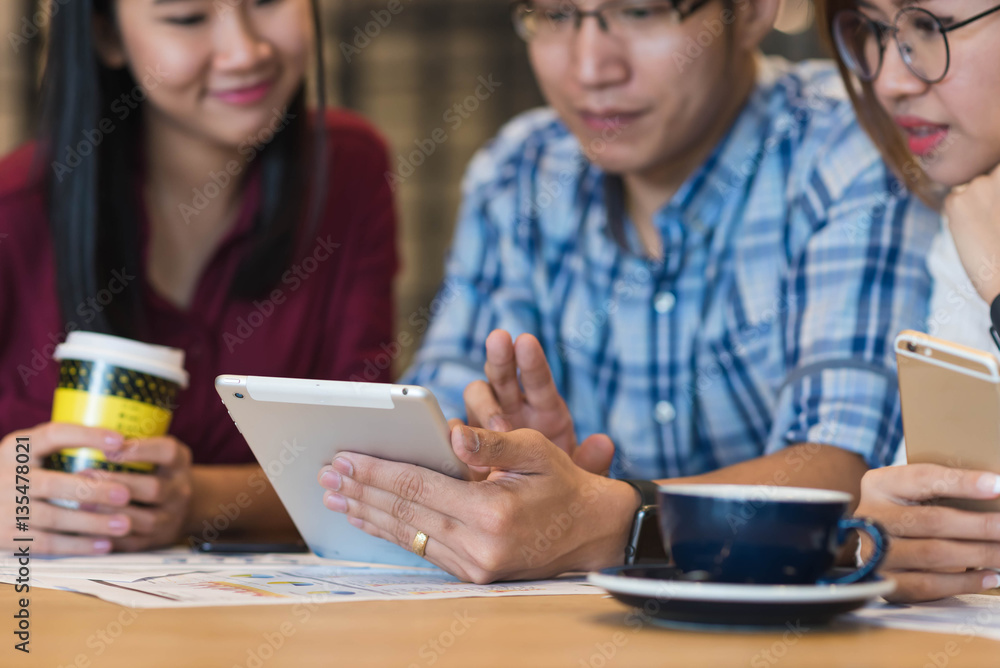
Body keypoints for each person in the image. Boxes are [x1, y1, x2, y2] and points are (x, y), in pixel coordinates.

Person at [317, 0, 938, 584]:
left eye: (639, 11)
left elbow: (839, 472)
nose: (591, 68)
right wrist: (492, 466)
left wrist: (607, 515)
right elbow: (434, 422)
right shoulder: (518, 172)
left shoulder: (852, 150)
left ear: (750, 12)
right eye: (558, 15)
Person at [0, 0, 397, 555]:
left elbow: (373, 475)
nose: (245, 51)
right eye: (187, 18)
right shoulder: (12, 215)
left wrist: (194, 498)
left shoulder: (348, 173)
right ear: (105, 35)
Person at [816, 0, 1000, 602]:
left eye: (931, 27)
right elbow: (959, 514)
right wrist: (900, 535)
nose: (891, 80)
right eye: (873, 31)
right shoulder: (973, 212)